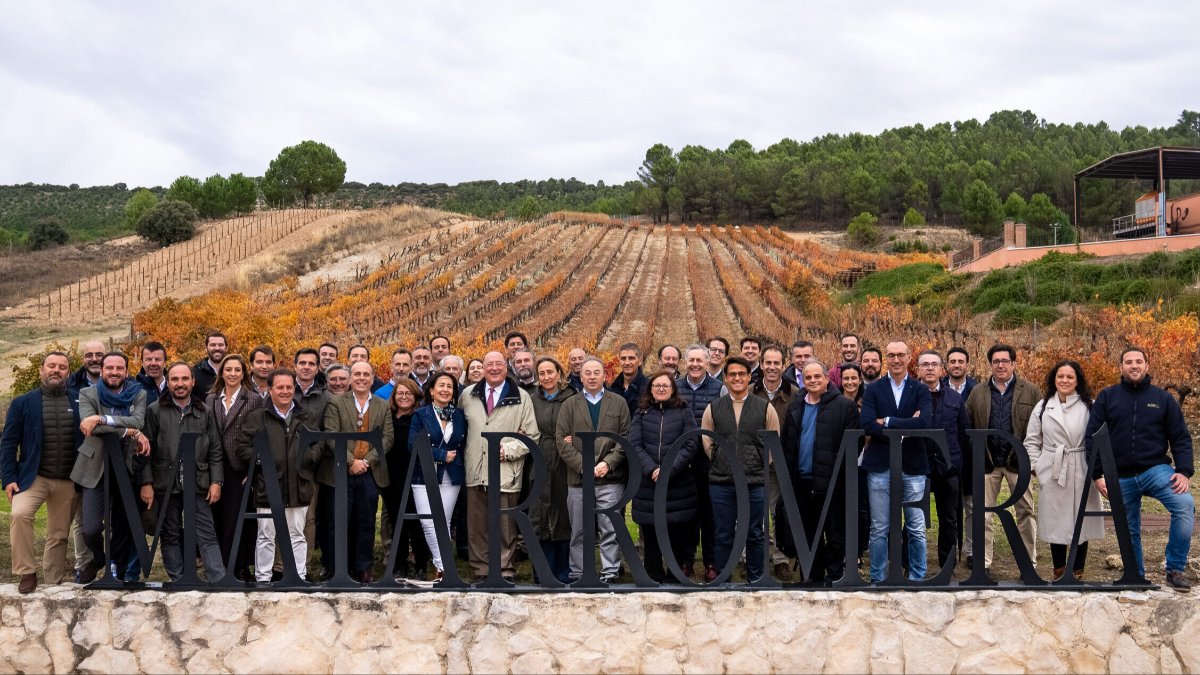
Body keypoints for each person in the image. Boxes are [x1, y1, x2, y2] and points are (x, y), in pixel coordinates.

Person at [1086, 348, 1194, 590]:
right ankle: (1135, 576)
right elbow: (1093, 437)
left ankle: (1175, 569)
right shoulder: (1107, 397)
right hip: (1118, 474)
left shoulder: (1163, 399)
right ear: (1121, 367)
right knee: (1128, 528)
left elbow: (1180, 437)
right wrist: (1097, 474)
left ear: (1146, 365)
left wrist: (1184, 471)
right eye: (1128, 362)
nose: (1133, 365)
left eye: (1138, 361)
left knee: (1184, 505)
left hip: (1155, 470)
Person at [2, 352, 81, 594]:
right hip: (33, 477)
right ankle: (26, 571)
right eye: (51, 366)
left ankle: (53, 583)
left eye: (62, 367)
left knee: (59, 534)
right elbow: (8, 443)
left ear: (68, 372)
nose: (56, 370)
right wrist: (9, 478)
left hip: (68, 479)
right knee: (20, 514)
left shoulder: (79, 401)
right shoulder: (23, 403)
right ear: (41, 370)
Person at [140, 362, 225, 582]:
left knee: (206, 532)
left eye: (185, 379)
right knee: (170, 533)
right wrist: (146, 482)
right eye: (175, 379)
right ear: (168, 382)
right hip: (165, 482)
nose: (180, 384)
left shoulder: (204, 411)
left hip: (198, 482)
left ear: (193, 381)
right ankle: (178, 579)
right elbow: (145, 450)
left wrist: (216, 481)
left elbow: (215, 449)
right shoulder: (154, 410)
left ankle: (218, 578)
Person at [460, 351, 539, 581]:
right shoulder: (468, 395)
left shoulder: (521, 397)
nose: (494, 368)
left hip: (506, 472)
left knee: (506, 526)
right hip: (475, 470)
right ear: (483, 368)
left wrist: (509, 450)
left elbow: (532, 436)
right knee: (477, 526)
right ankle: (481, 570)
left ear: (506, 367)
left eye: (499, 364)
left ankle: (505, 569)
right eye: (489, 364)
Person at [72, 351, 150, 583]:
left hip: (126, 466)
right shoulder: (88, 393)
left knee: (122, 526)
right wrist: (130, 431)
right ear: (102, 370)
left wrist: (101, 418)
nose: (114, 372)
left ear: (126, 371)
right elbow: (89, 427)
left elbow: (138, 421)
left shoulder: (138, 393)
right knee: (91, 528)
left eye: (119, 368)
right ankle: (99, 558)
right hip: (94, 467)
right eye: (110, 368)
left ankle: (116, 569)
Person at [238, 368, 322, 583]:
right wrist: (262, 461)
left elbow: (319, 443)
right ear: (270, 389)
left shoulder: (305, 416)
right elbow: (243, 447)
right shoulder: (258, 417)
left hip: (298, 484)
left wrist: (308, 457)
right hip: (267, 485)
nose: (285, 391)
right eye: (280, 387)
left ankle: (299, 577)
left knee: (297, 534)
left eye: (289, 387)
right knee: (266, 535)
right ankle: (263, 579)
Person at [779, 361, 859, 584]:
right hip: (802, 481)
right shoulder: (796, 406)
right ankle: (812, 577)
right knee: (808, 533)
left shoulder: (845, 406)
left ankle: (834, 576)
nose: (813, 381)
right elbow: (787, 442)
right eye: (808, 377)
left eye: (817, 376)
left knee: (835, 533)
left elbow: (854, 445)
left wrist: (836, 472)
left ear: (826, 379)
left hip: (833, 483)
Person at [701, 356, 779, 583]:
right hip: (722, 482)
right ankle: (723, 579)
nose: (737, 378)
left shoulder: (764, 407)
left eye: (741, 374)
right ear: (726, 378)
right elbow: (707, 440)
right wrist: (720, 460)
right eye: (732, 374)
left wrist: (760, 463)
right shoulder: (714, 408)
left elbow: (773, 440)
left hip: (755, 481)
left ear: (749, 377)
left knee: (755, 533)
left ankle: (756, 578)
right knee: (723, 533)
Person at [963, 343, 1040, 571]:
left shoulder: (1031, 391)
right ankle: (983, 563)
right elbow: (967, 424)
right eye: (996, 361)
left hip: (1018, 462)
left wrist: (1034, 458)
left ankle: (1028, 563)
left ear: (1013, 363)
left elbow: (1041, 425)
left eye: (1005, 361)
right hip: (988, 463)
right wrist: (976, 452)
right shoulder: (978, 392)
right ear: (990, 364)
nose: (1000, 365)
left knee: (1025, 512)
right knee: (982, 514)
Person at [860, 340, 931, 583]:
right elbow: (867, 424)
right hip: (880, 465)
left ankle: (917, 578)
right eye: (891, 355)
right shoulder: (874, 389)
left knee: (916, 527)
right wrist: (907, 424)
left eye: (901, 355)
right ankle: (878, 579)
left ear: (909, 357)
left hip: (913, 465)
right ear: (886, 359)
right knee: (879, 527)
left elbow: (924, 423)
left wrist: (888, 421)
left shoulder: (920, 389)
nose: (896, 360)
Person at [1025, 360, 1102, 581]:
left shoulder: (1090, 405)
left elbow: (1099, 438)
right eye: (1060, 376)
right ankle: (1059, 569)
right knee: (1056, 519)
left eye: (1070, 377)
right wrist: (1037, 467)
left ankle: (1077, 570)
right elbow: (1032, 440)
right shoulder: (1043, 407)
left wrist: (1097, 469)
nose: (1065, 380)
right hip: (1053, 467)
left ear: (1078, 380)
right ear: (1054, 379)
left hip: (1082, 465)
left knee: (1082, 518)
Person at [556, 356, 630, 583]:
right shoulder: (570, 404)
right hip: (578, 480)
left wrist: (608, 463)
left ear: (604, 375)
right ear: (580, 377)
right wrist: (584, 466)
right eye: (587, 373)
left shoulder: (618, 403)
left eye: (596, 372)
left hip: (610, 478)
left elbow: (625, 437)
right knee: (579, 530)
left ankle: (610, 572)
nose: (592, 377)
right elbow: (561, 440)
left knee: (610, 528)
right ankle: (579, 573)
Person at [320, 361, 393, 583]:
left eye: (366, 374)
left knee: (366, 522)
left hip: (370, 473)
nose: (361, 378)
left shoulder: (382, 405)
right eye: (357, 374)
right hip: (341, 472)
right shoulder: (336, 403)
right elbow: (331, 435)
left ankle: (363, 568)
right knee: (339, 521)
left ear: (372, 378)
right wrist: (351, 461)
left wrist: (366, 462)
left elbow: (387, 438)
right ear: (351, 378)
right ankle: (337, 568)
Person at [630, 372, 698, 583]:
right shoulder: (641, 412)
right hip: (648, 483)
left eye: (665, 385)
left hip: (677, 482)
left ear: (672, 389)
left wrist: (668, 469)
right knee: (650, 532)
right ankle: (653, 574)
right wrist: (651, 469)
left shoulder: (684, 411)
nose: (661, 389)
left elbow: (690, 444)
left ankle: (675, 575)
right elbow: (634, 444)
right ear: (650, 389)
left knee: (676, 531)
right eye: (656, 385)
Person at [207, 354, 262, 583]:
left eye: (237, 370)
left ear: (243, 373)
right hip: (216, 466)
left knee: (238, 520)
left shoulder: (254, 399)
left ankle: (239, 566)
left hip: (241, 468)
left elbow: (260, 436)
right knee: (218, 518)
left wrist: (253, 471)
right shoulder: (211, 399)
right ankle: (220, 567)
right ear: (221, 373)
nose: (232, 374)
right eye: (228, 369)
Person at [408, 372, 466, 582]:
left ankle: (443, 570)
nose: (445, 390)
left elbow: (464, 442)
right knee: (428, 521)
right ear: (432, 390)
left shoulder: (459, 415)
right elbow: (413, 445)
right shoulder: (420, 415)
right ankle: (443, 565)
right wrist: (441, 454)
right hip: (423, 475)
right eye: (441, 385)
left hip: (452, 475)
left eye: (449, 386)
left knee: (443, 521)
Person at [916, 350, 969, 568]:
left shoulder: (955, 399)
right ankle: (911, 563)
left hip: (948, 467)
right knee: (914, 516)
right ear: (918, 369)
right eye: (925, 364)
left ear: (941, 369)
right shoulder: (910, 397)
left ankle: (947, 566)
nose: (930, 368)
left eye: (934, 364)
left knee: (949, 518)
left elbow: (963, 434)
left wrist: (959, 463)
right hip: (918, 466)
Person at [676, 344, 723, 582]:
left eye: (699, 361)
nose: (695, 364)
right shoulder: (675, 387)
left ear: (707, 362)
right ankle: (686, 560)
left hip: (709, 461)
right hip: (683, 462)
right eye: (691, 360)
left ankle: (711, 562)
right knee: (686, 513)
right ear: (685, 362)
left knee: (710, 514)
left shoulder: (719, 389)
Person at [529, 356, 577, 583]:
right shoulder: (531, 400)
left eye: (550, 372)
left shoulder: (572, 399)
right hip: (538, 460)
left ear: (559, 373)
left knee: (564, 514)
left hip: (564, 463)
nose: (547, 377)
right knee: (539, 515)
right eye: (542, 373)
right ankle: (542, 571)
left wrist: (574, 438)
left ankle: (564, 571)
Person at [752, 345, 796, 579]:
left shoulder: (794, 393)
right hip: (754, 461)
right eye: (767, 363)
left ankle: (780, 559)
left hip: (781, 464)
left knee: (779, 512)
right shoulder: (750, 391)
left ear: (783, 365)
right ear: (761, 365)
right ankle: (754, 558)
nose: (771, 367)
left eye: (776, 363)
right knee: (753, 512)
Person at [383, 378, 431, 579]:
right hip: (392, 477)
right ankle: (399, 564)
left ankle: (421, 564)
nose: (404, 397)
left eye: (408, 393)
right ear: (394, 397)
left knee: (417, 521)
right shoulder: (387, 418)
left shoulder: (421, 417)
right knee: (397, 522)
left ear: (415, 396)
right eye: (400, 393)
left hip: (417, 475)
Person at [610, 342, 648, 415]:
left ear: (640, 361)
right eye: (623, 358)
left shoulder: (648, 388)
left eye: (631, 358)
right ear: (619, 361)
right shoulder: (612, 389)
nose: (627, 363)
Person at [192, 332, 227, 397]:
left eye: (221, 345)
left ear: (226, 348)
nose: (217, 348)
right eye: (213, 345)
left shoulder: (235, 373)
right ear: (206, 348)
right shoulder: (195, 373)